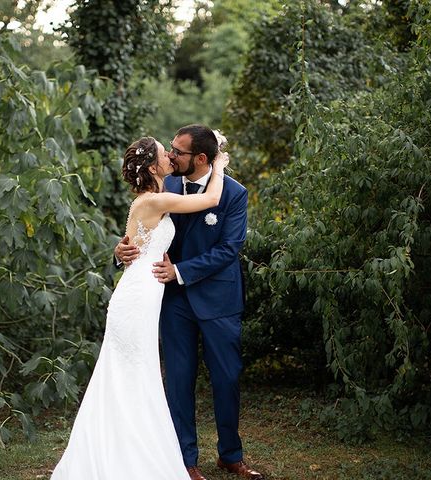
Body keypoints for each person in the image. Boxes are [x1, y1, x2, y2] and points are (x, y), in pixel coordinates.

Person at [50, 135, 229, 479]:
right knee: (131, 376)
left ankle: (124, 451)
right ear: (152, 166)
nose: (171, 157)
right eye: (165, 154)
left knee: (134, 375)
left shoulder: (151, 199)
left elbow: (135, 244)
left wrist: (122, 251)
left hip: (143, 296)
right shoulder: (153, 200)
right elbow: (212, 197)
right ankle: (127, 459)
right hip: (135, 300)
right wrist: (219, 163)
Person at [115, 125, 264, 480]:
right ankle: (185, 460)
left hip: (219, 299)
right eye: (168, 149)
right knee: (178, 381)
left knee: (227, 378)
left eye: (177, 151)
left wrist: (180, 271)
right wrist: (120, 252)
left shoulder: (233, 193)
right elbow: (139, 235)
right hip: (173, 301)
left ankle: (231, 454)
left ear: (199, 158)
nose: (169, 155)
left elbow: (229, 249)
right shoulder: (162, 186)